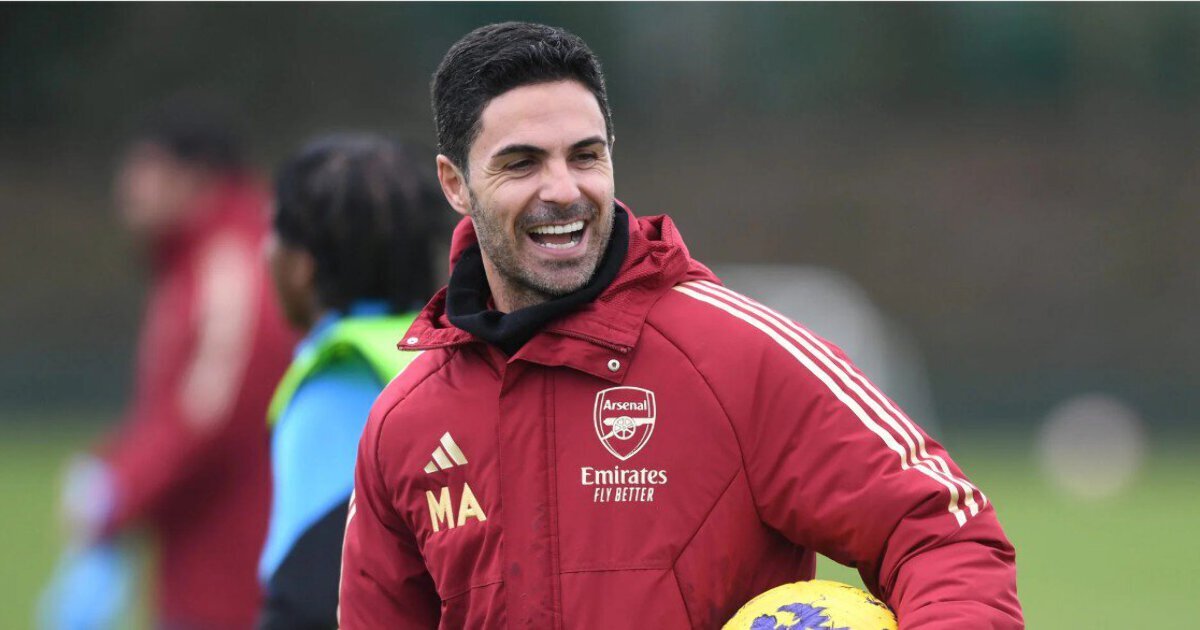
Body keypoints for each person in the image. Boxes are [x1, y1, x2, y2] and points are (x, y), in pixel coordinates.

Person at [339, 22, 1023, 629]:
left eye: (586, 155)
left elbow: (943, 531)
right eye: (522, 163)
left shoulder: (739, 358)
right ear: (455, 184)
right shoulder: (405, 420)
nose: (564, 190)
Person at [39, 97, 296, 628]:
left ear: (194, 176)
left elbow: (212, 412)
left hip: (234, 575)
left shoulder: (232, 263)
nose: (128, 188)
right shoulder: (204, 259)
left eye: (144, 168)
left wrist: (119, 488)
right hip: (214, 565)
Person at [257, 134, 446, 628]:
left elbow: (309, 592)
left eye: (272, 231)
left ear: (302, 266)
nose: (263, 251)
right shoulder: (448, 352)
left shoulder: (337, 375)